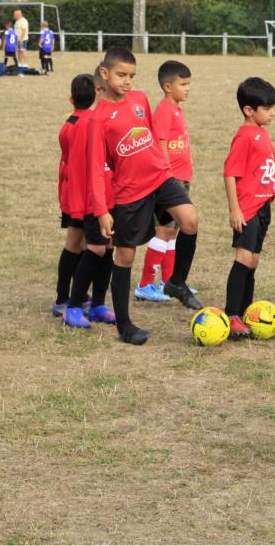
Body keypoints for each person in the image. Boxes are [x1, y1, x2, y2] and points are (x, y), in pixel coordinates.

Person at [89, 47, 202, 345]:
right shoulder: (97, 118)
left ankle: (176, 282)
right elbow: (95, 168)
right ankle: (125, 326)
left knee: (190, 220)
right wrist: (101, 211)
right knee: (125, 256)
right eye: (121, 75)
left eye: (132, 75)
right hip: (130, 192)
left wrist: (164, 164)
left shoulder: (140, 99)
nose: (127, 81)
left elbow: (151, 135)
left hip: (161, 178)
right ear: (105, 74)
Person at [222, 77, 275, 337]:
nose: (272, 113)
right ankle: (231, 314)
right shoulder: (244, 136)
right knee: (244, 258)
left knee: (253, 260)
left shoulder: (261, 132)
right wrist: (235, 210)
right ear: (248, 110)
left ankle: (246, 312)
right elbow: (230, 173)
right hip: (247, 208)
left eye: (273, 107)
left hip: (263, 205)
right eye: (267, 108)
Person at [62, 71, 117, 328]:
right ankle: (72, 305)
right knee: (94, 248)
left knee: (108, 247)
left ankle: (97, 304)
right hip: (94, 200)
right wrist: (82, 204)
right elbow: (78, 168)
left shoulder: (103, 119)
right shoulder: (84, 124)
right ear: (98, 90)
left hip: (111, 196)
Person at [136, 60, 194, 303]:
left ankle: (170, 282)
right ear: (168, 87)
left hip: (181, 178)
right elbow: (160, 143)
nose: (188, 88)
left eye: (189, 84)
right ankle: (145, 284)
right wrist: (167, 175)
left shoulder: (176, 109)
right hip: (170, 180)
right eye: (183, 84)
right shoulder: (164, 110)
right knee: (163, 230)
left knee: (173, 232)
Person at [53, 74, 93, 318]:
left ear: (71, 99)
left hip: (72, 193)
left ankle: (76, 294)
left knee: (80, 244)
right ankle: (64, 298)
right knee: (77, 244)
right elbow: (79, 165)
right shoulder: (86, 124)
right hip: (81, 195)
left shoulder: (70, 123)